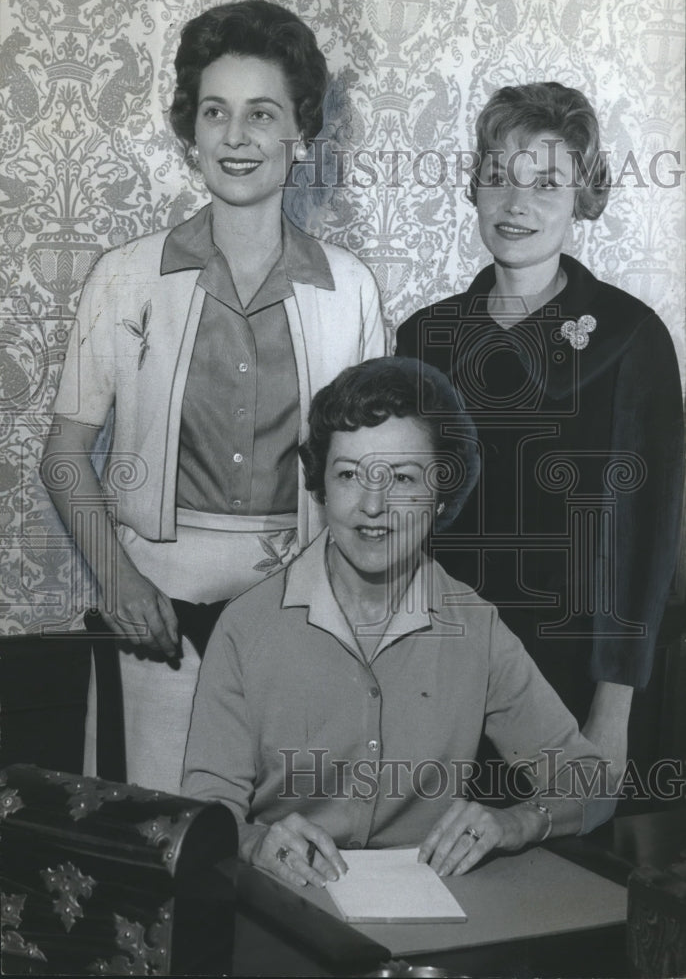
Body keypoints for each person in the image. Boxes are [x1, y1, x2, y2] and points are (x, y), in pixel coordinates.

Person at [41, 0, 384, 794]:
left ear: (300, 129)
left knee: (288, 869)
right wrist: (121, 585)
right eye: (215, 113)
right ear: (188, 131)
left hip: (304, 615)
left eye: (262, 114)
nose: (237, 137)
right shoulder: (124, 277)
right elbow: (65, 455)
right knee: (160, 863)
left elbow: (371, 478)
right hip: (155, 617)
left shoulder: (352, 292)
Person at [182, 358, 615, 888]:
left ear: (440, 496)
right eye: (348, 475)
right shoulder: (245, 627)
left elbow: (591, 781)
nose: (372, 505)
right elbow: (205, 811)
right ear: (320, 487)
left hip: (439, 915)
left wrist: (517, 821)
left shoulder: (476, 627)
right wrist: (253, 843)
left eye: (403, 478)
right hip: (286, 903)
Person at [396, 82, 684, 781]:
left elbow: (650, 543)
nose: (516, 204)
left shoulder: (630, 337)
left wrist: (609, 717)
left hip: (575, 686)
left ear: (582, 198)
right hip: (439, 680)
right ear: (474, 188)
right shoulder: (424, 338)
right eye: (498, 177)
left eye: (547, 183)